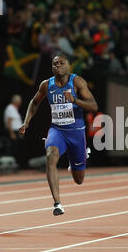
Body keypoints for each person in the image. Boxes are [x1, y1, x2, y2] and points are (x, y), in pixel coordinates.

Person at [19, 55, 98, 216]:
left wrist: (75, 101)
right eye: (55, 63)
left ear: (69, 66)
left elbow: (94, 106)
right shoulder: (46, 85)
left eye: (62, 63)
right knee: (51, 156)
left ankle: (80, 157)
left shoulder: (77, 82)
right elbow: (34, 102)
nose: (58, 66)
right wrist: (27, 121)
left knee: (79, 180)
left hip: (76, 133)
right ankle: (57, 203)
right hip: (57, 130)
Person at [3, 94, 23, 158]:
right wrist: (11, 133)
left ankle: (14, 160)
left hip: (16, 131)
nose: (20, 102)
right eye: (19, 101)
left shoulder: (14, 109)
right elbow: (9, 121)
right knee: (12, 147)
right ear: (16, 101)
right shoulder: (10, 108)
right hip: (13, 131)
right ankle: (11, 161)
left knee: (16, 148)